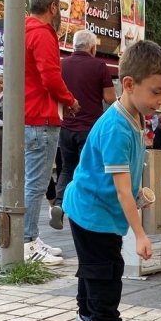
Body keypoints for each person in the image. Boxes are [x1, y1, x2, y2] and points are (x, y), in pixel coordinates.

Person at [62, 40, 161, 321]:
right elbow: (121, 189)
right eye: (156, 91)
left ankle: (87, 319)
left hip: (96, 207)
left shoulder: (134, 117)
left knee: (94, 267)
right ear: (129, 84)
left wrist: (140, 193)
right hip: (91, 210)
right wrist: (139, 233)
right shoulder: (117, 128)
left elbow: (126, 180)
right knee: (107, 270)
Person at [23, 0, 80, 265]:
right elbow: (50, 78)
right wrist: (70, 100)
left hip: (27, 115)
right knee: (36, 183)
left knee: (30, 183)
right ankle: (27, 242)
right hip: (42, 116)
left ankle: (28, 238)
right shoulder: (42, 34)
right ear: (53, 7)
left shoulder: (22, 29)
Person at [49, 29, 116, 231]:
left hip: (66, 127)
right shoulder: (99, 66)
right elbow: (110, 98)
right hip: (90, 129)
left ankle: (59, 204)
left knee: (67, 169)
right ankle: (84, 213)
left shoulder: (62, 64)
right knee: (89, 169)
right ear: (93, 48)